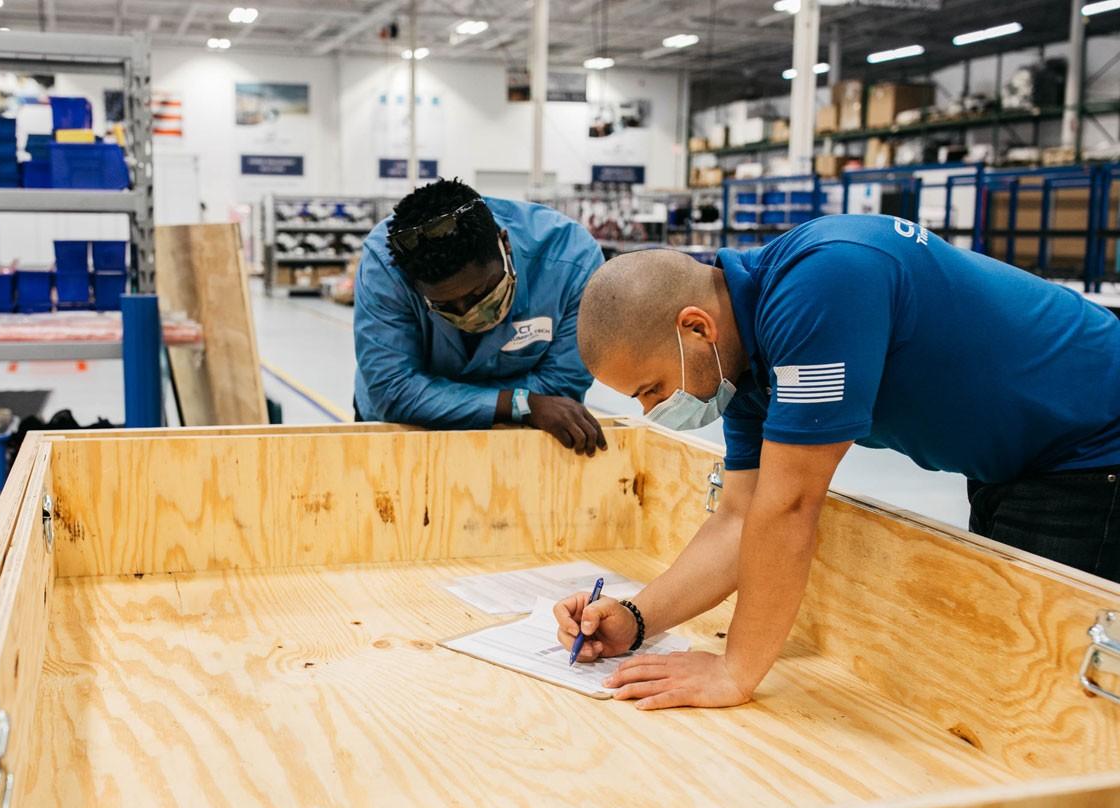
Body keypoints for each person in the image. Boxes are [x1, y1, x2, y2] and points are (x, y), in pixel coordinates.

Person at [553, 213, 1120, 709]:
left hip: (1092, 443)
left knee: (1051, 681)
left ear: (697, 328)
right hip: (1015, 460)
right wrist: (635, 617)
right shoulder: (746, 366)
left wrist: (736, 669)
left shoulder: (821, 284)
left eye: (652, 388)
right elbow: (741, 516)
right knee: (1013, 659)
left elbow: (792, 506)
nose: (654, 410)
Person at [353, 179, 607, 455]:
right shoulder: (386, 265)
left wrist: (436, 399)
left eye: (480, 293)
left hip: (523, 436)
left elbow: (561, 386)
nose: (468, 313)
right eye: (445, 304)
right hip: (405, 428)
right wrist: (520, 404)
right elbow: (393, 389)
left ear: (505, 244)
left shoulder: (572, 261)